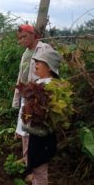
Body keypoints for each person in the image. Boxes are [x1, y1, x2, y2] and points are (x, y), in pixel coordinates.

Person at [13, 25, 53, 164]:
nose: (22, 40)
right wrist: (17, 98)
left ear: (33, 34)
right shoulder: (25, 53)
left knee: (36, 132)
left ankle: (34, 164)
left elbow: (51, 72)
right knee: (24, 129)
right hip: (26, 96)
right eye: (19, 38)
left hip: (38, 98)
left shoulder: (44, 49)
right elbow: (21, 75)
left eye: (24, 36)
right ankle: (26, 159)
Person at [23, 50, 62, 184]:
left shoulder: (51, 85)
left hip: (43, 135)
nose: (35, 64)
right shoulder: (40, 82)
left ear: (49, 67)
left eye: (39, 62)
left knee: (39, 167)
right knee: (36, 165)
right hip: (35, 132)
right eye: (35, 62)